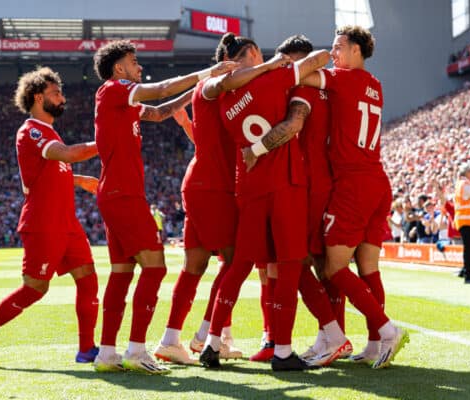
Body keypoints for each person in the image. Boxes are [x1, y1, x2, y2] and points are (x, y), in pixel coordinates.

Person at [91, 40, 235, 374]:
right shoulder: (114, 89)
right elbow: (159, 90)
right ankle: (137, 350)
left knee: (122, 272)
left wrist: (196, 89)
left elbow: (159, 111)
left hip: (115, 193)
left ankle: (107, 353)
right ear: (119, 68)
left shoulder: (123, 103)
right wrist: (208, 72)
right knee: (155, 269)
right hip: (124, 194)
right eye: (133, 61)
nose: (138, 67)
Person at [152, 36, 292, 365]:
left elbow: (207, 139)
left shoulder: (221, 92)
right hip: (215, 188)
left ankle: (173, 338)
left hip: (201, 183)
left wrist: (185, 122)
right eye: (253, 58)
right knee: (234, 262)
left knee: (195, 267)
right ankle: (207, 336)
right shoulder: (220, 87)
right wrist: (271, 67)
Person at [198, 33, 331, 371]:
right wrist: (284, 62)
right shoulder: (274, 78)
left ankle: (212, 341)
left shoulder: (224, 98)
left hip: (249, 185)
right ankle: (282, 351)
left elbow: (213, 87)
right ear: (254, 52)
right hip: (285, 182)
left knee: (240, 263)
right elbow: (322, 56)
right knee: (288, 264)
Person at [0, 67, 100, 367]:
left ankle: (87, 349)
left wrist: (78, 180)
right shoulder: (33, 131)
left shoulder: (50, 132)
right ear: (38, 97)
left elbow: (52, 169)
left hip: (66, 223)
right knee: (35, 289)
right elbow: (65, 154)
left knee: (88, 279)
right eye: (56, 93)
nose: (62, 98)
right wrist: (107, 143)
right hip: (43, 223)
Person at [298, 25, 408, 369]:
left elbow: (303, 77)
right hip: (377, 180)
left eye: (339, 47)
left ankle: (387, 330)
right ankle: (376, 343)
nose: (333, 53)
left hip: (353, 185)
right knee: (369, 267)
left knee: (332, 266)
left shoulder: (343, 79)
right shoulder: (375, 85)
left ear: (357, 50)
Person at [245, 35, 352, 367]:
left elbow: (293, 126)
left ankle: (334, 335)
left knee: (296, 260)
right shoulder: (326, 89)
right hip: (317, 181)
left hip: (305, 184)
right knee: (311, 263)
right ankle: (328, 336)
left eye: (290, 62)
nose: (286, 68)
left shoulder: (302, 91)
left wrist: (256, 149)